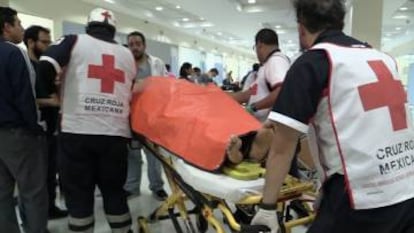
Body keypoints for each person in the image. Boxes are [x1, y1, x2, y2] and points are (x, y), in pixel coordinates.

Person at [250, 1, 414, 233]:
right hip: (407, 188)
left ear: (301, 26)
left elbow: (281, 147)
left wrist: (267, 208)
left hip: (362, 200)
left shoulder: (314, 62)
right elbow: (362, 131)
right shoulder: (383, 58)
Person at [38, 8, 136, 233]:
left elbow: (45, 62)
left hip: (77, 131)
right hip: (116, 134)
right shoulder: (126, 53)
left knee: (79, 193)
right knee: (114, 192)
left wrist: (47, 94)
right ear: (113, 30)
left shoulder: (74, 41)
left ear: (89, 26)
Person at [0, 6, 48, 233]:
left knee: (2, 194)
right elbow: (25, 96)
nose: (22, 28)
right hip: (17, 134)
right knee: (32, 191)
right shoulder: (13, 52)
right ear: (7, 27)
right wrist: (36, 127)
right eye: (18, 23)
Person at [23, 25, 68, 220]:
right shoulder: (24, 66)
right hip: (34, 131)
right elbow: (23, 99)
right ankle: (35, 218)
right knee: (36, 178)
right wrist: (51, 101)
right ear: (31, 42)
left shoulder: (48, 67)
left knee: (51, 172)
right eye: (44, 42)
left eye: (50, 42)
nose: (49, 46)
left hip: (52, 128)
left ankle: (50, 208)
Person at [125, 31, 169, 201]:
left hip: (152, 118)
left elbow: (165, 87)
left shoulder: (156, 63)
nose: (135, 47)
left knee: (154, 155)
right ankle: (131, 187)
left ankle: (157, 186)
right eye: (131, 44)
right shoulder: (125, 64)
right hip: (130, 117)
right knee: (132, 155)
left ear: (144, 45)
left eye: (138, 43)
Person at [230, 28, 290, 122]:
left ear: (260, 45)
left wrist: (253, 107)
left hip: (269, 127)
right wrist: (222, 96)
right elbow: (251, 93)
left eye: (255, 48)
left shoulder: (276, 61)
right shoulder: (266, 65)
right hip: (258, 125)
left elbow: (281, 92)